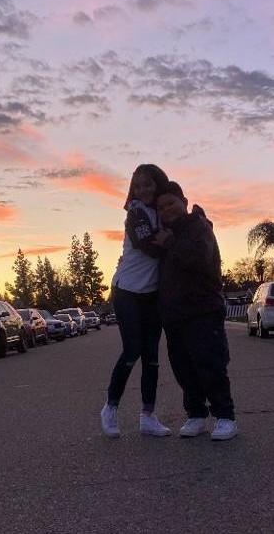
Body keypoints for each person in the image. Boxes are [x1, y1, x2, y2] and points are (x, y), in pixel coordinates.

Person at [154, 181, 237, 441]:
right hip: (174, 315)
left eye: (171, 203)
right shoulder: (164, 234)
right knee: (184, 368)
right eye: (161, 207)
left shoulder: (198, 227)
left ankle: (225, 417)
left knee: (210, 364)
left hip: (203, 310)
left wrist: (169, 243)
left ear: (184, 202)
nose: (167, 210)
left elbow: (199, 259)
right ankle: (196, 415)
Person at [100, 164, 172, 438]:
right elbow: (149, 248)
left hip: (152, 294)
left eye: (148, 184)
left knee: (152, 356)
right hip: (127, 290)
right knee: (132, 350)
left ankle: (148, 416)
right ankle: (110, 407)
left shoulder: (163, 212)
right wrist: (171, 241)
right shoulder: (135, 213)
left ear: (158, 184)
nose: (142, 190)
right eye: (137, 186)